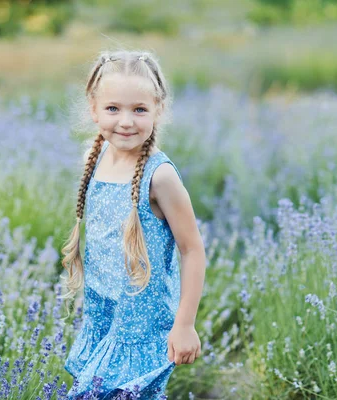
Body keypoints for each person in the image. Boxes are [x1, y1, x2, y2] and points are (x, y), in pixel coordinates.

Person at [59, 49, 206, 400]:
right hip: (103, 314)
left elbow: (193, 250)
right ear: (93, 109)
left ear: (159, 110)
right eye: (113, 108)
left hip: (140, 326)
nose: (126, 121)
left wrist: (184, 325)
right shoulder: (94, 159)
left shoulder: (161, 177)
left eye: (139, 109)